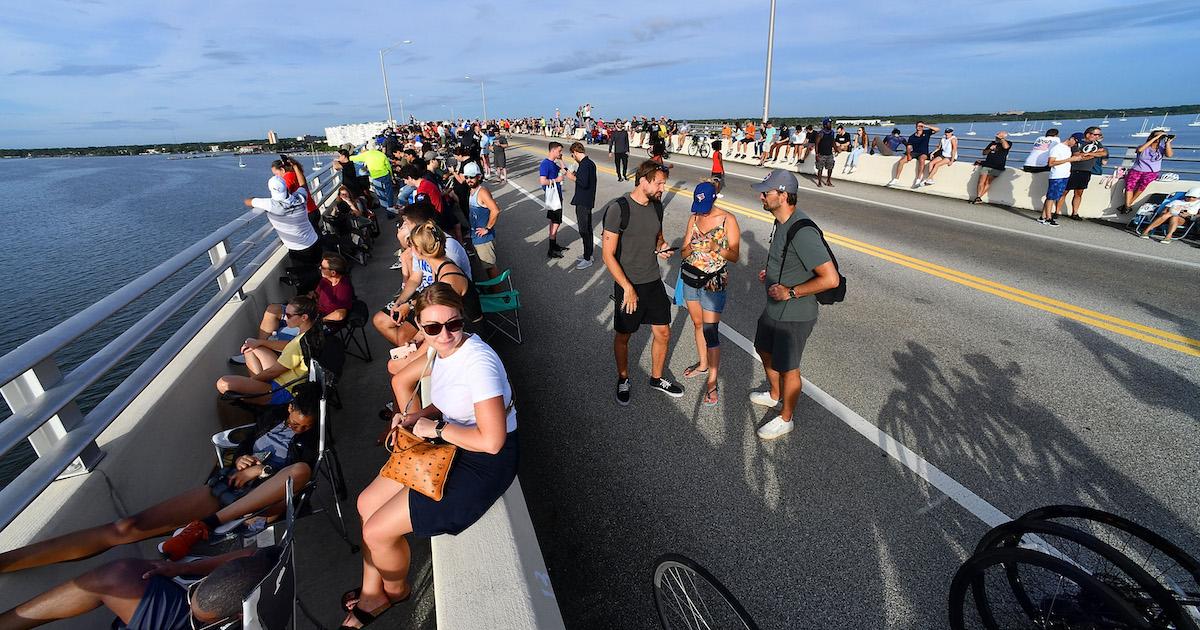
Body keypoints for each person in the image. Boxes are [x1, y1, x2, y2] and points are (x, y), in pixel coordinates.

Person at [0, 384, 320, 573]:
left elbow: (298, 480)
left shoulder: (310, 441)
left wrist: (261, 472)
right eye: (295, 422)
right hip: (227, 487)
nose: (298, 429)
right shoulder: (271, 418)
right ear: (289, 408)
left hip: (255, 502)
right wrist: (243, 460)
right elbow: (243, 450)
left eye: (305, 426)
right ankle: (8, 561)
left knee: (298, 471)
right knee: (127, 528)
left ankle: (204, 526)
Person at [347, 283, 518, 629]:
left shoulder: (478, 362)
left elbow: (493, 441)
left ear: (462, 319)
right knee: (366, 504)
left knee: (377, 532)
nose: (445, 335)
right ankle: (369, 590)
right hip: (455, 443)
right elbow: (450, 401)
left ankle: (394, 593)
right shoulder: (440, 351)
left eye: (453, 324)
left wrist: (435, 430)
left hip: (481, 463)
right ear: (422, 328)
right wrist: (415, 416)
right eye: (433, 328)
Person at [750, 170, 840, 440]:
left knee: (789, 366)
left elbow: (830, 279)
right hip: (775, 307)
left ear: (784, 195)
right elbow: (788, 258)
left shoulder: (802, 231)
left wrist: (791, 291)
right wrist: (772, 272)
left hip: (795, 312)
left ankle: (786, 417)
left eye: (767, 192)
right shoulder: (780, 222)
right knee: (762, 347)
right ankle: (774, 394)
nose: (762, 196)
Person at [0, 547, 278, 630]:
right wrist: (182, 569)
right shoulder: (273, 561)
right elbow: (252, 555)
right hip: (210, 605)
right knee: (120, 575)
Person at [601, 160, 684, 405]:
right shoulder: (619, 209)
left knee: (663, 332)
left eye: (664, 184)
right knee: (624, 335)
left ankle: (656, 378)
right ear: (643, 180)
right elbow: (608, 254)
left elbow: (658, 238)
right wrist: (627, 288)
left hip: (652, 280)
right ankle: (623, 377)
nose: (662, 188)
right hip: (628, 283)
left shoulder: (657, 207)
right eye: (659, 183)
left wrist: (663, 248)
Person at [675, 182, 740, 407]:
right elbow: (683, 253)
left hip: (713, 281)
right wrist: (691, 248)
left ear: (714, 199)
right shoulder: (693, 218)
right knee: (697, 324)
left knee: (711, 331)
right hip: (691, 278)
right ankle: (703, 365)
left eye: (704, 205)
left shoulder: (727, 220)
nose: (700, 211)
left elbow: (734, 256)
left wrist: (714, 246)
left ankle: (712, 382)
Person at [373, 200, 472, 346]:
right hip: (425, 296)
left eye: (406, 223)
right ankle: (411, 351)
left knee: (402, 341)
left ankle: (413, 352)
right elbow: (415, 278)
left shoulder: (447, 251)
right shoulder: (424, 247)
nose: (403, 226)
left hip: (443, 308)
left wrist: (411, 306)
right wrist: (400, 301)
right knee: (380, 320)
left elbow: (443, 295)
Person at [216, 296, 322, 404]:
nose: (285, 319)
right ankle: (256, 388)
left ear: (304, 317)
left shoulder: (297, 344)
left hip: (284, 389)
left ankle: (259, 395)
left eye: (289, 316)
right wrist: (259, 342)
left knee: (223, 384)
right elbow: (288, 350)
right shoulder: (314, 332)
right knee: (252, 349)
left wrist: (250, 382)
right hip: (291, 378)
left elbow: (273, 372)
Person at [244, 168, 321, 270]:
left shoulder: (271, 204)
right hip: (314, 240)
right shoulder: (300, 197)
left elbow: (248, 201)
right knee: (319, 271)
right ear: (286, 188)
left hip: (298, 249)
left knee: (306, 279)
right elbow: (304, 185)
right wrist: (296, 167)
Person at [463, 162, 502, 280]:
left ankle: (498, 294)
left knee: (490, 267)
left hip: (483, 239)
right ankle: (493, 290)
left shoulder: (482, 192)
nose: (469, 180)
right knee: (486, 267)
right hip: (477, 236)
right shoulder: (472, 190)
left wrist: (487, 228)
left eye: (472, 177)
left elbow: (495, 210)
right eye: (466, 177)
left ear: (479, 177)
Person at [1123, 130, 1174, 212]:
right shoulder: (1144, 146)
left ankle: (1127, 205)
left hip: (1151, 172)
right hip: (1137, 169)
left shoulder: (1161, 148)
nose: (1159, 138)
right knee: (1130, 184)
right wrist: (1155, 138)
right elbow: (1140, 150)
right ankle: (1128, 205)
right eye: (1157, 135)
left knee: (1143, 184)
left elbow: (1169, 155)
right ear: (1151, 137)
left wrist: (1167, 142)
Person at [1063, 127, 1107, 220]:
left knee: (1079, 193)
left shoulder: (1097, 144)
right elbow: (1077, 156)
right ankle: (1056, 211)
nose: (1098, 137)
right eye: (1096, 135)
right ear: (1088, 134)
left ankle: (1075, 213)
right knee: (1064, 192)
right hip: (1073, 170)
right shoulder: (1078, 142)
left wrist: (1088, 154)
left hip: (1086, 171)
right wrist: (1092, 155)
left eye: (1099, 135)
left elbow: (1103, 153)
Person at [566, 142, 598, 269]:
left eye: (572, 155)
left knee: (584, 230)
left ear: (575, 152)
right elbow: (585, 180)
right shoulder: (589, 163)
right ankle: (588, 254)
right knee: (588, 229)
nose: (573, 157)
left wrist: (571, 177)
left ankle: (587, 259)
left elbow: (583, 183)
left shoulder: (584, 164)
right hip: (587, 200)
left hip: (583, 202)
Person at [1039, 133, 1080, 227]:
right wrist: (1070, 159)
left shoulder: (1068, 148)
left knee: (1053, 196)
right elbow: (1051, 163)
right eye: (1075, 143)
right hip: (1057, 176)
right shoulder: (1057, 148)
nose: (1075, 145)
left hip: (1064, 175)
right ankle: (1048, 218)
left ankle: (1043, 217)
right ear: (1072, 138)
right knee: (1051, 197)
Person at [1135, 187, 1199, 244]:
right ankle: (1146, 231)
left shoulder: (1198, 203)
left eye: (1193, 197)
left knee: (1174, 216)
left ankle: (1168, 236)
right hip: (1168, 217)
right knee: (1170, 214)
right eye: (1188, 196)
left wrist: (1189, 215)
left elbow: (1198, 215)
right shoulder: (1177, 201)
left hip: (1185, 219)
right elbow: (1164, 211)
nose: (1190, 198)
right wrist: (1173, 211)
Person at [887, 121, 938, 188]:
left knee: (922, 159)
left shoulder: (927, 132)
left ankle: (918, 179)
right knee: (901, 161)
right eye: (918, 126)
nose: (919, 127)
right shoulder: (912, 137)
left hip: (923, 152)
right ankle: (896, 179)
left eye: (921, 126)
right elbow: (909, 147)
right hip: (914, 152)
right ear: (915, 127)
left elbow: (937, 129)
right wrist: (908, 155)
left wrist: (925, 126)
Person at [539, 142, 568, 258]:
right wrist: (556, 179)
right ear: (553, 150)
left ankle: (554, 245)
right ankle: (551, 248)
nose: (560, 153)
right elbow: (542, 181)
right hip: (553, 197)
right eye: (559, 151)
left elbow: (564, 171)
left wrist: (560, 160)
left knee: (554, 221)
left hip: (557, 195)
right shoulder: (545, 164)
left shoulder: (553, 163)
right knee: (556, 221)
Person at [971, 131, 1011, 204]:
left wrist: (1001, 139)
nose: (996, 137)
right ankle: (978, 197)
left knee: (988, 182)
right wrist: (990, 149)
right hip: (987, 164)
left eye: (998, 136)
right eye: (996, 136)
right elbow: (984, 153)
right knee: (981, 181)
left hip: (997, 166)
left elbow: (1006, 147)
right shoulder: (992, 143)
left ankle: (978, 198)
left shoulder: (1008, 143)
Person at [351, 144, 394, 208]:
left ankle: (386, 208)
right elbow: (388, 166)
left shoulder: (366, 155)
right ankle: (390, 207)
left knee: (381, 194)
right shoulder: (381, 154)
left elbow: (353, 158)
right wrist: (391, 175)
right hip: (385, 174)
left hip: (376, 177)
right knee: (389, 192)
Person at [813, 118, 838, 187]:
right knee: (820, 169)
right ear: (825, 125)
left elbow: (833, 142)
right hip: (821, 154)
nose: (830, 125)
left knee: (830, 168)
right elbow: (817, 144)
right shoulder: (821, 133)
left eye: (830, 123)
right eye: (829, 123)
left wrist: (836, 149)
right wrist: (817, 154)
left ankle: (828, 181)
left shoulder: (832, 132)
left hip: (829, 154)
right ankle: (819, 182)